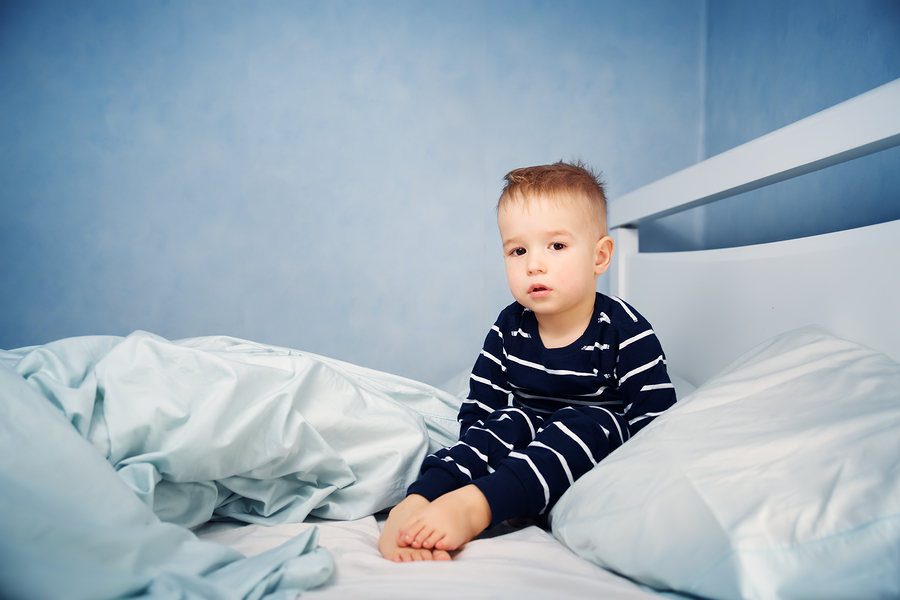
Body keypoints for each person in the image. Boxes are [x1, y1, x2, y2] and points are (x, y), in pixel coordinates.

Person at [378, 160, 677, 562]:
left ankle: (477, 506)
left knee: (585, 425)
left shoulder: (623, 329)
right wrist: (478, 452)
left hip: (590, 435)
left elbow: (656, 424)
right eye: (518, 250)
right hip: (528, 424)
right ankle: (418, 500)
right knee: (503, 423)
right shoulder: (509, 326)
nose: (533, 264)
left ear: (599, 256)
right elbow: (481, 405)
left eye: (556, 246)